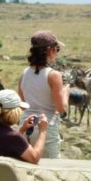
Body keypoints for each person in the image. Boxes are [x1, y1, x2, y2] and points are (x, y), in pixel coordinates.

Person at [18, 30, 69, 159]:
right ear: (50, 50)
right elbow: (61, 108)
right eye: (57, 49)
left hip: (25, 125)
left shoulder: (24, 73)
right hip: (46, 127)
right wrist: (66, 92)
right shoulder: (54, 75)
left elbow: (22, 104)